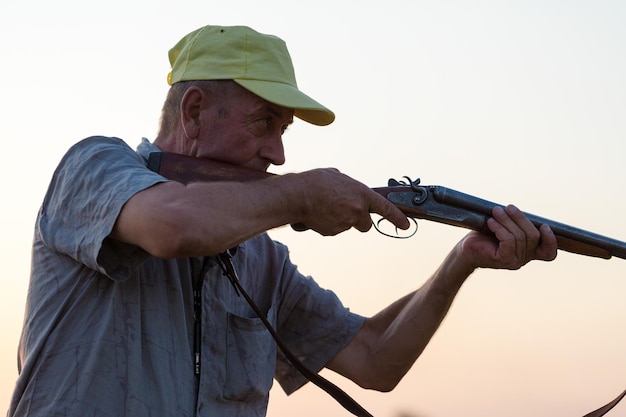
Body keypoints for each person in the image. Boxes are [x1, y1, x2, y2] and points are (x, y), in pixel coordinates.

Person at [8, 24, 557, 417]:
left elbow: (376, 359)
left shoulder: (260, 257)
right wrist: (300, 198)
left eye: (284, 130)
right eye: (264, 122)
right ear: (194, 111)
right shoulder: (95, 166)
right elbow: (173, 226)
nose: (278, 154)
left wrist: (461, 261)